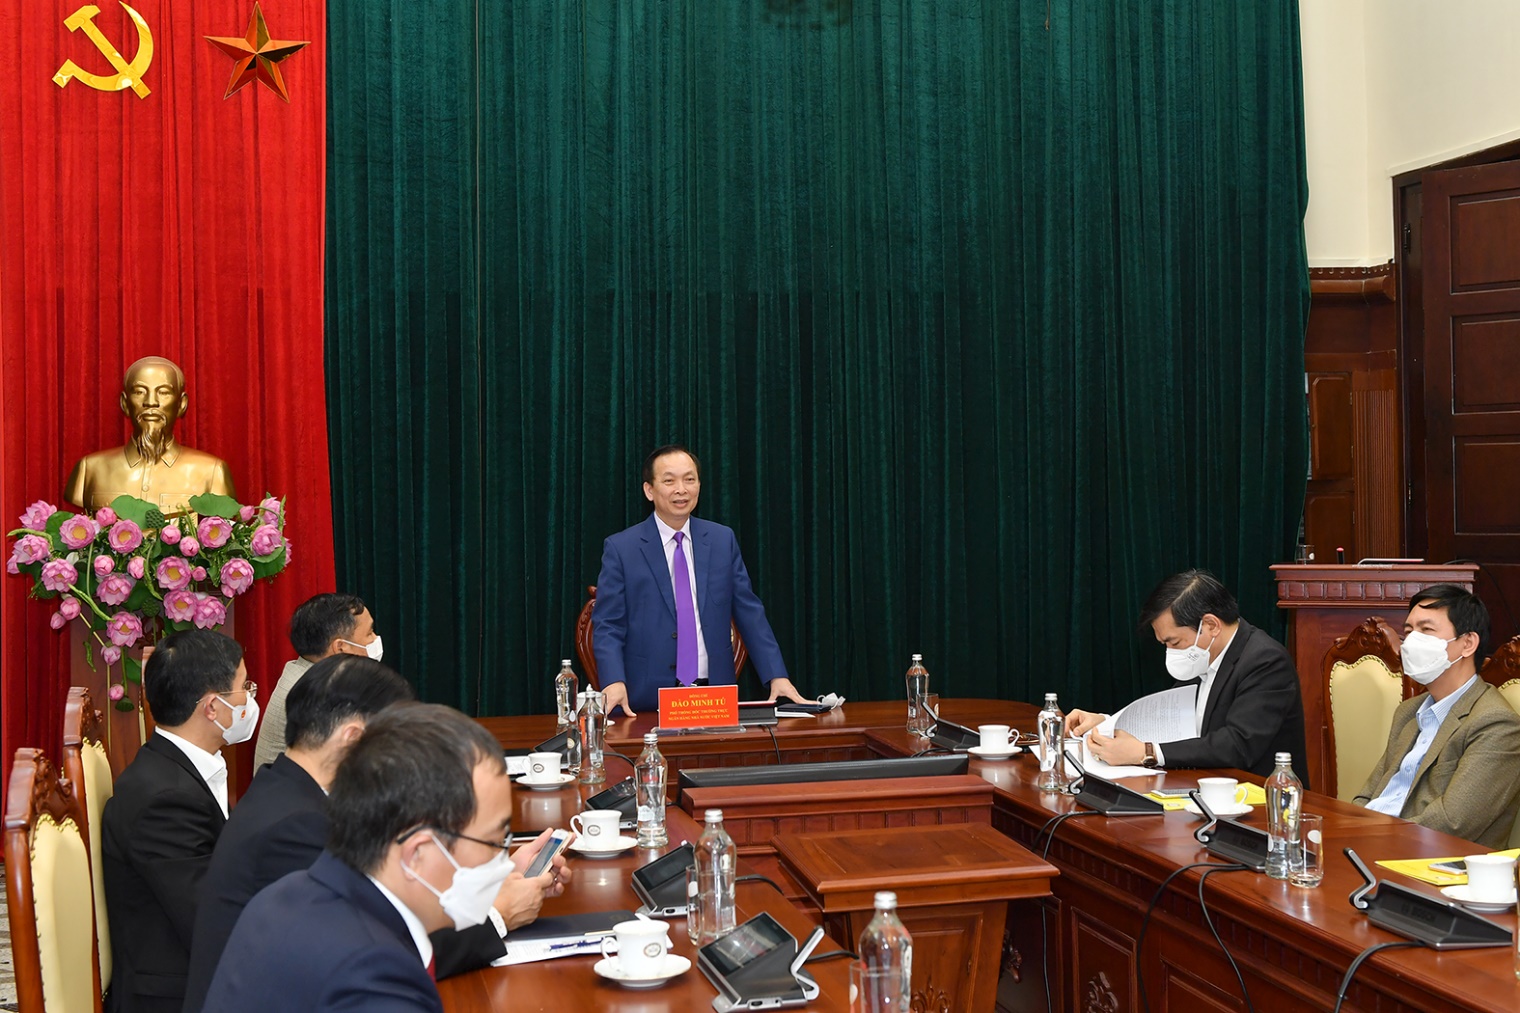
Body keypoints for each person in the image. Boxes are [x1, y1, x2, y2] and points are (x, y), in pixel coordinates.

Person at [183, 658, 569, 1011]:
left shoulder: (287, 801)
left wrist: (487, 873)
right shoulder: (295, 826)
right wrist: (498, 913)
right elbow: (381, 942)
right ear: (355, 738)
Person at [102, 629, 255, 1013]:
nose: (250, 699)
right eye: (244, 688)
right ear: (212, 707)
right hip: (178, 993)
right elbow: (210, 921)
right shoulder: (165, 800)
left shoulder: (175, 767)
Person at [592, 445, 805, 715]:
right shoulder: (622, 548)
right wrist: (613, 681)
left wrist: (777, 676)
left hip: (714, 699)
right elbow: (608, 624)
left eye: (689, 479)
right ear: (649, 490)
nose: (681, 489)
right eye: (669, 481)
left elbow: (749, 613)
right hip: (645, 701)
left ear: (699, 486)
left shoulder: (722, 540)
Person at [1064, 569, 1309, 782]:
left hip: (1259, 799)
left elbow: (1237, 745)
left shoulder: (1265, 661)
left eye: (1175, 642)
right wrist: (1106, 725)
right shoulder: (1201, 656)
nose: (1171, 653)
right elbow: (1168, 723)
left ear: (1211, 625)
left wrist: (1146, 753)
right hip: (1201, 788)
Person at [1353, 585, 1520, 848]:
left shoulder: (1495, 722)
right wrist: (1347, 831)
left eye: (1426, 630)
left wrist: (1371, 839)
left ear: (1468, 643)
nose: (1412, 642)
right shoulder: (1409, 711)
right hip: (1368, 845)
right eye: (1409, 631)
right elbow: (1368, 796)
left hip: (1430, 860)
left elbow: (1453, 823)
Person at [65, 355, 236, 513]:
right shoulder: (89, 469)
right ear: (125, 403)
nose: (151, 402)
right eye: (139, 392)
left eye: (164, 392)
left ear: (182, 404)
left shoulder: (212, 472)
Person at [251, 592, 383, 770]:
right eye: (369, 633)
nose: (375, 639)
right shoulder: (316, 694)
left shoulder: (307, 671)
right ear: (340, 647)